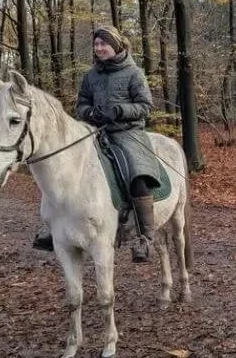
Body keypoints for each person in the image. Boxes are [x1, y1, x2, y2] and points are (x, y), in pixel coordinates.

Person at [33, 25, 162, 263]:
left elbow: (146, 106)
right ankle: (55, 228)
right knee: (63, 168)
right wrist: (90, 112)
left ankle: (145, 238)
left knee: (137, 171)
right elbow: (81, 104)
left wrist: (119, 110)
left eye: (103, 43)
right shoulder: (90, 76)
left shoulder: (133, 73)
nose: (99, 48)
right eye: (96, 44)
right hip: (95, 131)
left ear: (115, 45)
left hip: (127, 131)